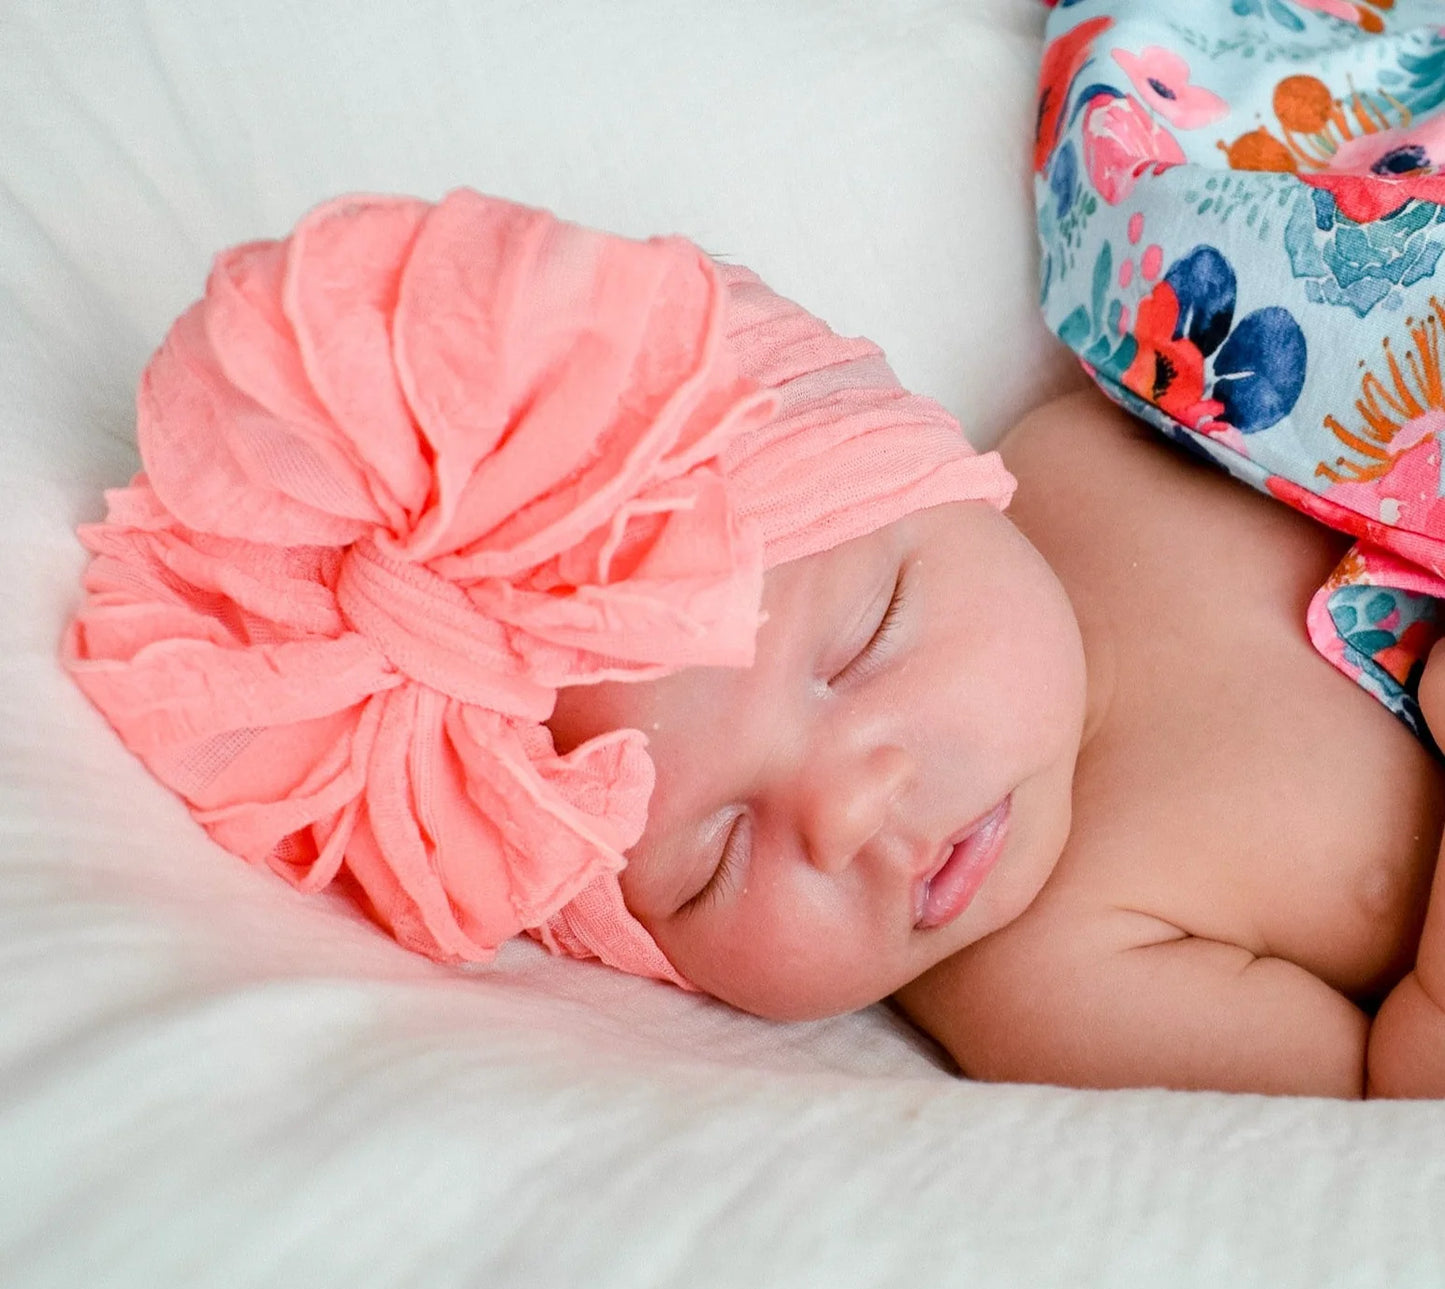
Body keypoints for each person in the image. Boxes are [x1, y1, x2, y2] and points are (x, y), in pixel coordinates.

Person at [63, 0, 1445, 1097]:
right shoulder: (1055, 977)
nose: (848, 811)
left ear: (926, 473)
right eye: (709, 863)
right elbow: (1395, 1093)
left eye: (862, 638)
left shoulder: (1094, 445)